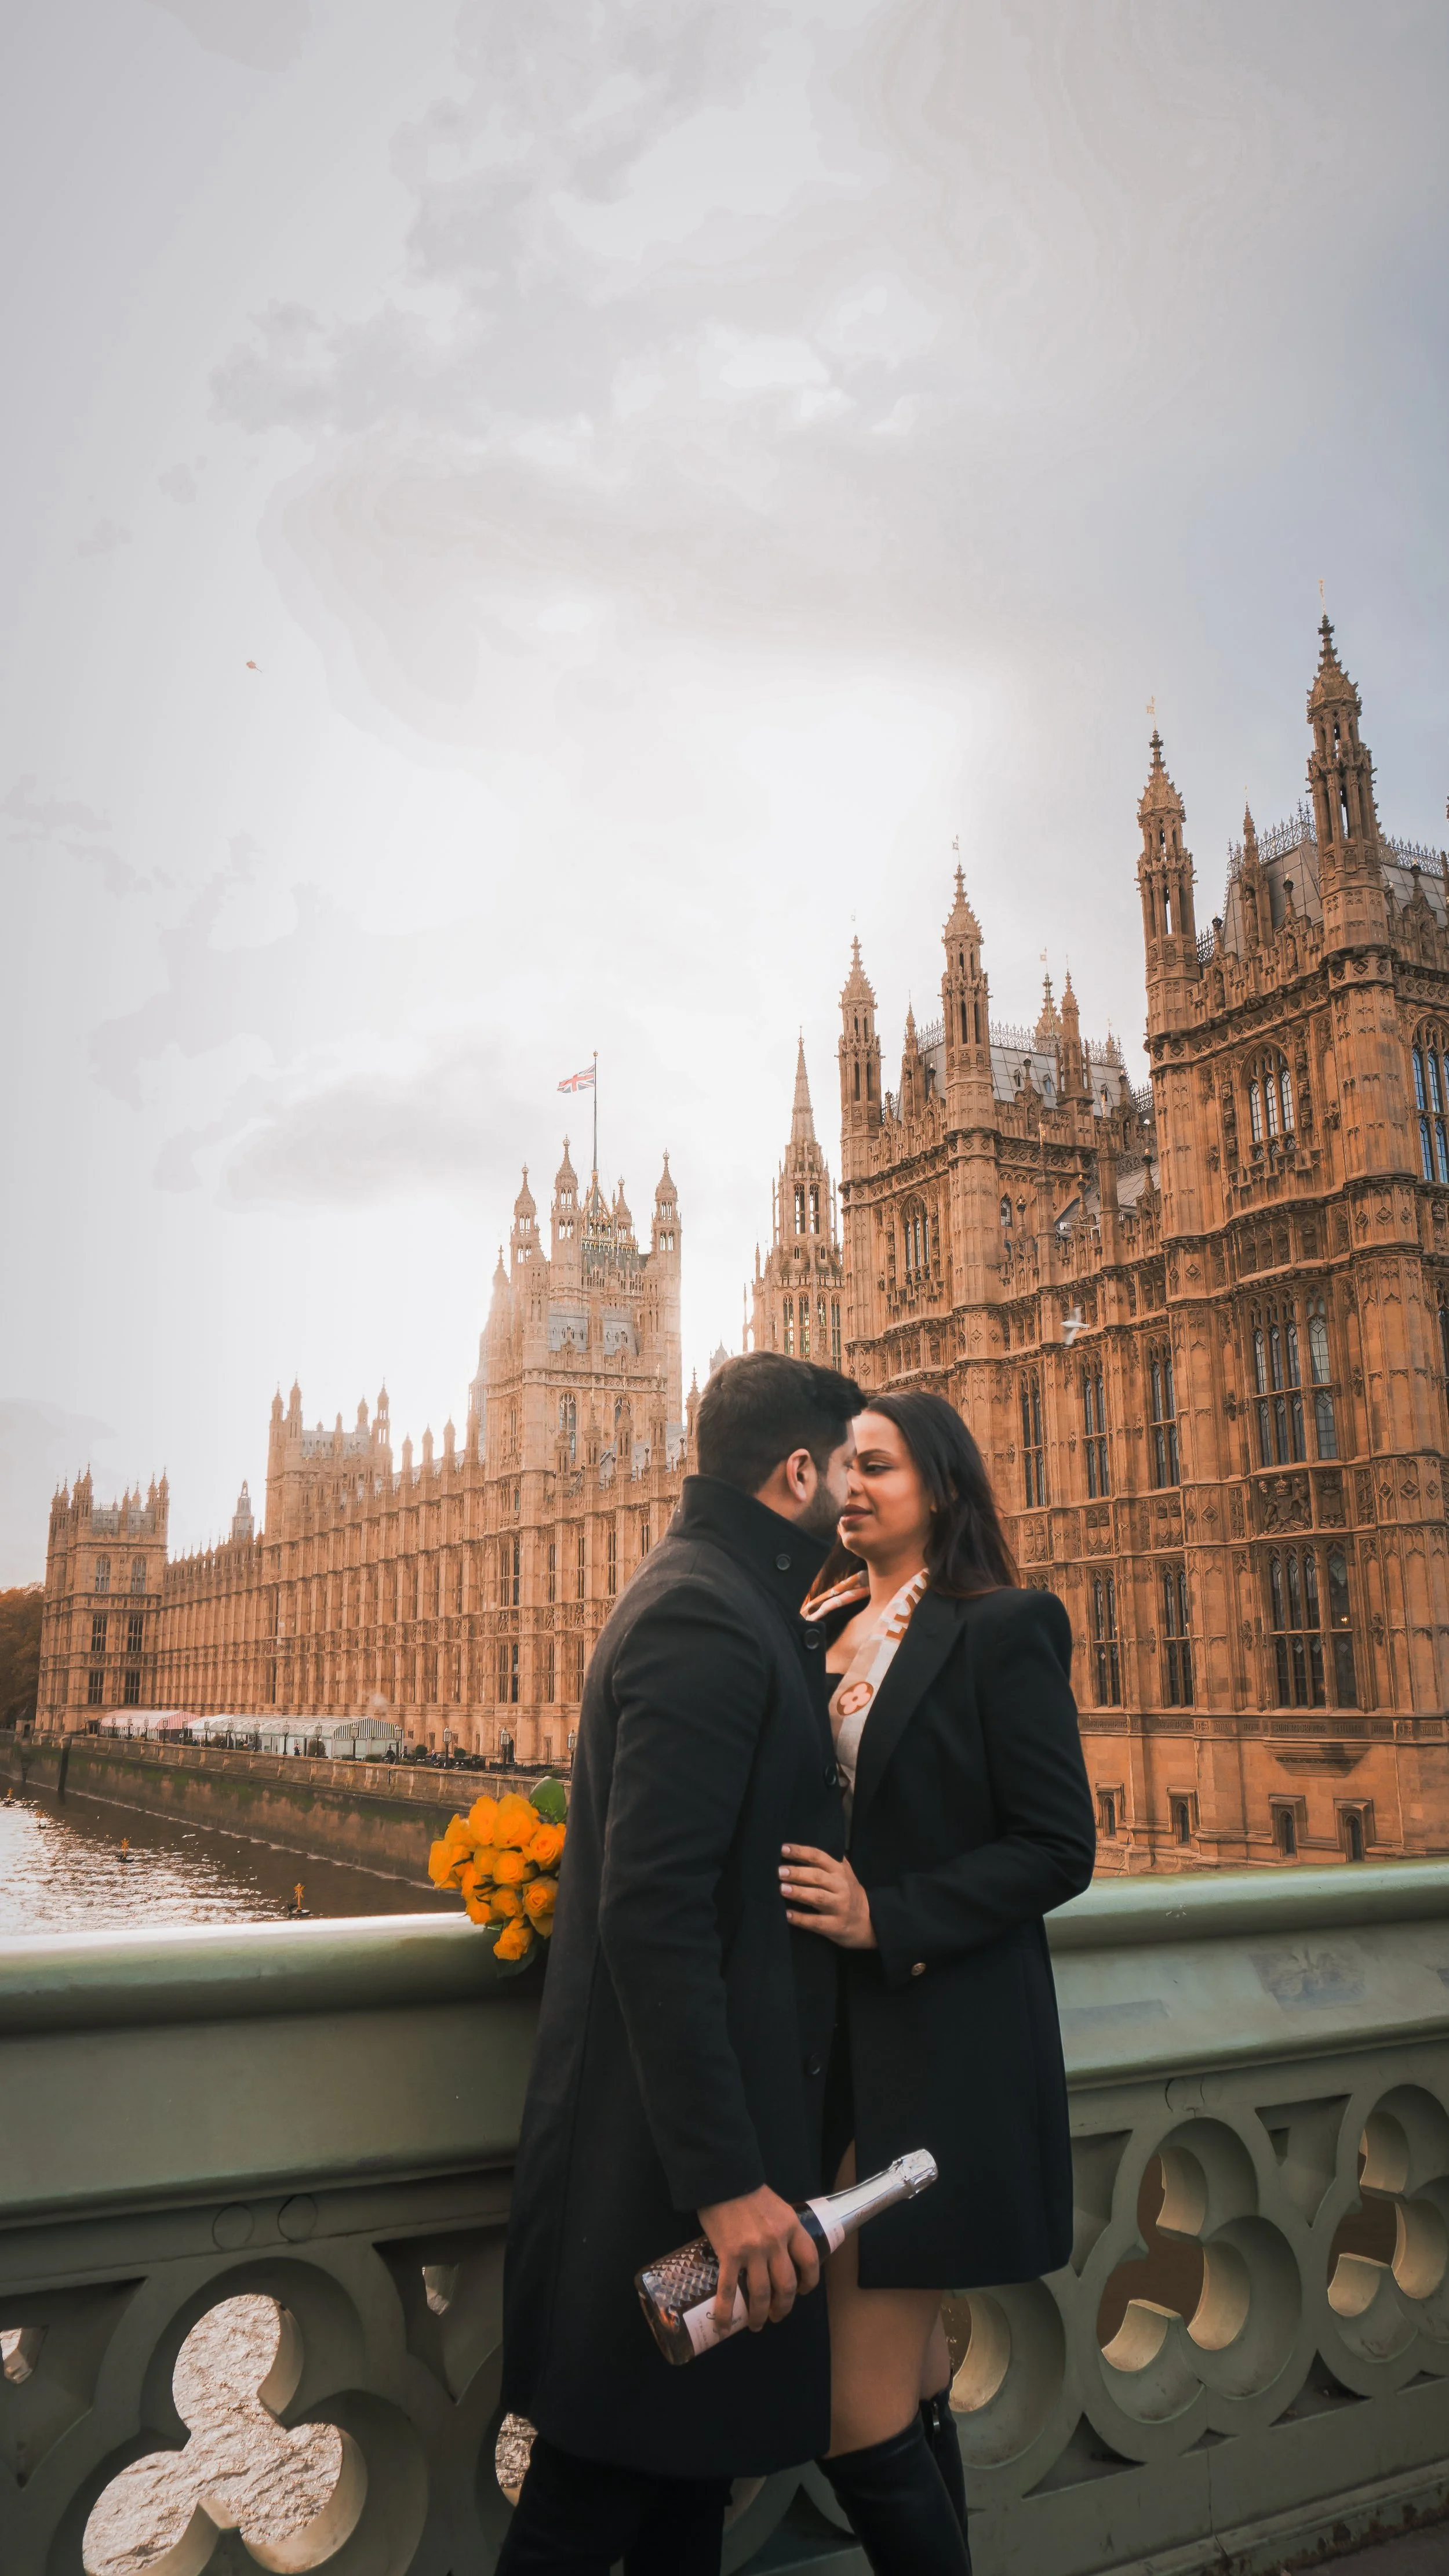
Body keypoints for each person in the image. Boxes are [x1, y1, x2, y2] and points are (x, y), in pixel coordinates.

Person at [497, 1350, 864, 2575]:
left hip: (699, 2169)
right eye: (846, 1468)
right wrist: (724, 2182)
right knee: (580, 2510)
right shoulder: (706, 1609)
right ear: (795, 1470)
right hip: (662, 2188)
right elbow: (650, 1914)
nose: (855, 1499)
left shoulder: (730, 1594)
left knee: (675, 2511)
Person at [782, 1390, 1096, 2575]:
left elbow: (1057, 1845)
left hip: (936, 2053)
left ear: (942, 1488)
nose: (848, 1486)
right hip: (837, 2052)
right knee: (908, 2388)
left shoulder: (1000, 1625)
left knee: (848, 2417)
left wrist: (885, 1916)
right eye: (838, 1469)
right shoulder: (819, 1625)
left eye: (878, 1467)